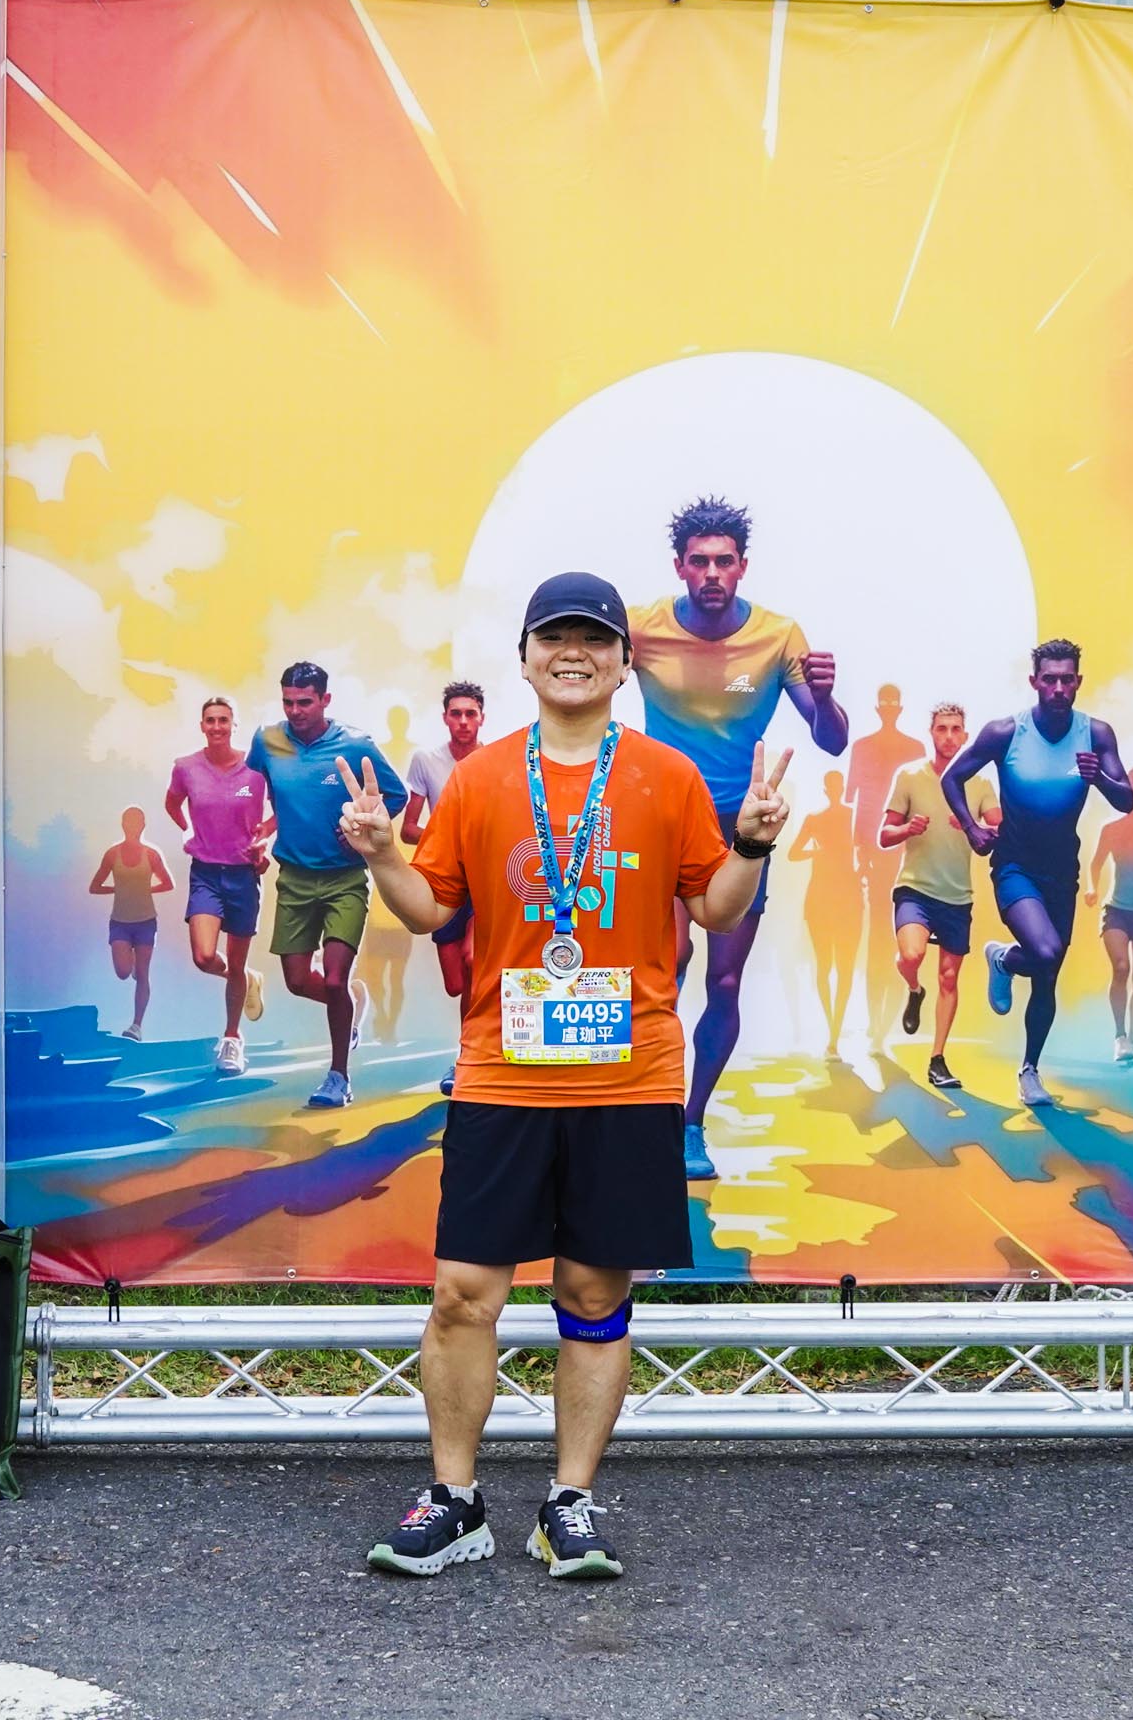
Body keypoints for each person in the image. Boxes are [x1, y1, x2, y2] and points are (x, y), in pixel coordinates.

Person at [341, 571, 769, 1584]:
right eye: (554, 637)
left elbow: (714, 907)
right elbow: (427, 909)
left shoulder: (665, 776)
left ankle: (569, 1502)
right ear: (526, 658)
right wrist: (382, 854)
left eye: (595, 638)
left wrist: (752, 842)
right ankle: (454, 1500)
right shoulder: (483, 777)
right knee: (462, 1293)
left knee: (592, 1287)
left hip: (630, 1077)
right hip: (503, 1074)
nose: (573, 652)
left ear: (623, 663)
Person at [630, 497, 846, 1179]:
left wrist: (826, 696)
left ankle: (692, 1124)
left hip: (739, 828)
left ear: (743, 566)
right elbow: (582, 683)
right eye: (700, 562)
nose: (713, 573)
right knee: (663, 968)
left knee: (723, 981)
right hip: (664, 819)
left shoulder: (780, 636)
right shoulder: (641, 627)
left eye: (724, 561)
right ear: (679, 566)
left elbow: (832, 740)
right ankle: (648, 1111)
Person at [947, 640, 1133, 1110]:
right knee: (1046, 951)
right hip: (1015, 864)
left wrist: (1099, 778)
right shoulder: (1005, 732)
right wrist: (971, 828)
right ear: (1034, 682)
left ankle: (1029, 1069)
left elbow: (1127, 799)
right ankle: (1006, 960)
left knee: (1048, 974)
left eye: (1066, 679)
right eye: (1049, 679)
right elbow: (952, 777)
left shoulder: (1097, 734)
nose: (1058, 688)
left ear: (1078, 682)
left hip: (1062, 871)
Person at [250, 663, 407, 1110]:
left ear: (325, 700)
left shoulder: (356, 744)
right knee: (299, 981)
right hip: (293, 879)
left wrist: (362, 824)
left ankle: (339, 1076)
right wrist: (260, 834)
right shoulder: (267, 741)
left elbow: (395, 796)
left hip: (345, 879)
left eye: (305, 702)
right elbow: (257, 789)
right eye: (288, 702)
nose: (295, 710)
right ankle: (352, 1007)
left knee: (335, 979)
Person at [883, 702, 997, 1091]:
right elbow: (884, 834)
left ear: (966, 736)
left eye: (955, 729)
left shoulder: (980, 783)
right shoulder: (910, 775)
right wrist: (907, 829)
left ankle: (937, 1059)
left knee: (949, 977)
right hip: (915, 887)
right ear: (931, 733)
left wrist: (973, 826)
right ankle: (915, 990)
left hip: (957, 895)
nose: (949, 736)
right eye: (942, 729)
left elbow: (1001, 829)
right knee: (912, 955)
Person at [163, 695, 273, 1075]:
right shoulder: (186, 767)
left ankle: (232, 1039)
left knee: (236, 961)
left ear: (233, 725)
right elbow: (172, 803)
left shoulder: (256, 770)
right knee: (204, 956)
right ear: (202, 726)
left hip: (244, 875)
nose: (216, 727)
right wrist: (187, 829)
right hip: (206, 874)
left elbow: (282, 810)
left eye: (223, 720)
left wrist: (263, 837)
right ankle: (244, 979)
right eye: (210, 720)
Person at [403, 681, 489, 1097]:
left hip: (485, 881)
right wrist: (447, 843)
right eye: (456, 713)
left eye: (471, 713)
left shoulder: (496, 761)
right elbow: (408, 828)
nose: (463, 721)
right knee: (456, 983)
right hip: (444, 881)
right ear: (445, 718)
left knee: (474, 961)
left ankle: (468, 1057)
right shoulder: (427, 761)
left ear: (482, 718)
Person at [355, 705, 425, 1047]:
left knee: (396, 974)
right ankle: (381, 1015)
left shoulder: (416, 759)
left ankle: (390, 1024)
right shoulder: (377, 757)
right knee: (373, 970)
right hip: (377, 889)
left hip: (403, 878)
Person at [1086, 766, 1133, 1063]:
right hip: (1116, 909)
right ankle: (1119, 1035)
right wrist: (1092, 888)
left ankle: (1132, 1039)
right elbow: (1095, 863)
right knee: (1121, 968)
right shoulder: (1112, 827)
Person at [790, 770, 866, 1055]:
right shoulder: (815, 819)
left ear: (841, 788)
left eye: (837, 786)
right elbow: (793, 853)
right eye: (831, 786)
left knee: (844, 967)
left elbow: (865, 850)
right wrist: (815, 852)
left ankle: (835, 1031)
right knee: (825, 965)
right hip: (822, 898)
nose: (835, 790)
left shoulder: (852, 817)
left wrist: (862, 869)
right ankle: (831, 1026)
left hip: (847, 897)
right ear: (827, 789)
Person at [845, 684, 921, 963]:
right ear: (878, 708)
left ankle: (901, 963)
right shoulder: (861, 748)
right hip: (873, 842)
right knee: (879, 906)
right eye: (884, 702)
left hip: (908, 842)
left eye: (892, 702)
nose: (888, 708)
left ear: (899, 708)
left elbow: (924, 797)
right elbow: (855, 800)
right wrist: (859, 849)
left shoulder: (915, 749)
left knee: (907, 904)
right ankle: (879, 967)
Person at [86, 809, 175, 1041]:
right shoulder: (112, 854)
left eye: (136, 822)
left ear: (143, 825)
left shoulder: (151, 855)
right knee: (123, 972)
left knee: (143, 974)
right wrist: (118, 889)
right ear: (123, 825)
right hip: (120, 921)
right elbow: (94, 887)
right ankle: (131, 960)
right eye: (129, 822)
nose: (133, 826)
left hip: (145, 921)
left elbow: (168, 883)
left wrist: (145, 889)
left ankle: (136, 1026)